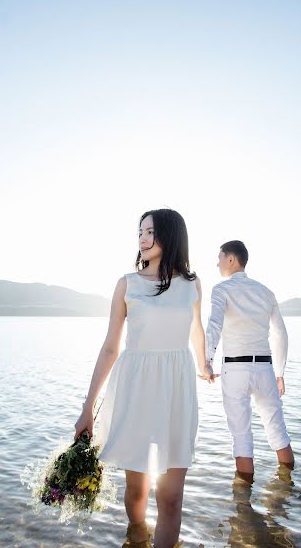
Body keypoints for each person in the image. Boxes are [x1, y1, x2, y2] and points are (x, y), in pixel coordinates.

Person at [74, 208, 205, 548]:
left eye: (150, 232)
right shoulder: (127, 284)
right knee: (137, 489)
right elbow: (110, 348)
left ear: (170, 235)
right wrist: (88, 407)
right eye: (140, 233)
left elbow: (196, 332)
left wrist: (205, 365)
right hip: (137, 390)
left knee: (172, 497)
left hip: (178, 391)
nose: (143, 239)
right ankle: (137, 536)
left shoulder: (192, 285)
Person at [203, 240, 294, 484]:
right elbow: (281, 334)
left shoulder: (221, 290)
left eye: (220, 257)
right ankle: (288, 487)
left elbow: (214, 325)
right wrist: (280, 372)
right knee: (278, 430)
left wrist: (206, 360)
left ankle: (243, 507)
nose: (217, 262)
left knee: (241, 437)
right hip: (265, 367)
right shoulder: (266, 292)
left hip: (235, 369)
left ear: (231, 259)